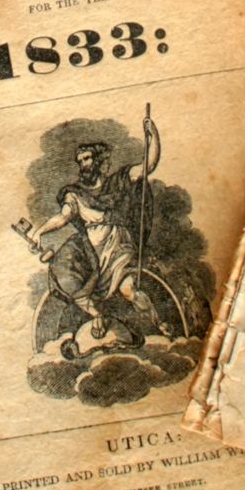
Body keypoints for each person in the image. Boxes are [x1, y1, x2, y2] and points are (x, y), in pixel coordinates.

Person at [25, 114, 165, 340]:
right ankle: (99, 320)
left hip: (117, 248)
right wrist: (39, 232)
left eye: (87, 158)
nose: (83, 164)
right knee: (68, 278)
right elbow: (63, 217)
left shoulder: (118, 181)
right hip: (92, 254)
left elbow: (149, 165)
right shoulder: (76, 194)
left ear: (98, 160)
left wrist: (153, 135)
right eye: (80, 161)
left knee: (129, 290)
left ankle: (160, 324)